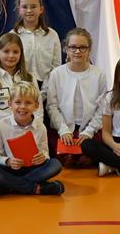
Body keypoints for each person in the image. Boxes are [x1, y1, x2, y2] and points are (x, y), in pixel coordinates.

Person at [0, 82, 64, 196]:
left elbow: (45, 153)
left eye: (28, 103)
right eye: (18, 102)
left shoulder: (40, 127)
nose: (22, 107)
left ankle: (8, 187)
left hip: (33, 169)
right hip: (10, 169)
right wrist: (8, 161)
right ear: (10, 104)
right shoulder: (1, 125)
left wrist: (42, 157)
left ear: (36, 105)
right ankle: (36, 188)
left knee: (55, 164)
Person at [0, 32, 41, 163]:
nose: (11, 56)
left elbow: (38, 110)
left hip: (27, 136)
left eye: (15, 52)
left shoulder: (29, 77)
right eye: (6, 51)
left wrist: (32, 132)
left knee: (50, 164)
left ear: (21, 54)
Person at [45, 27, 107, 166]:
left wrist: (89, 131)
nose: (77, 51)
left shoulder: (99, 74)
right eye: (73, 47)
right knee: (63, 156)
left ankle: (85, 157)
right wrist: (63, 130)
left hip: (90, 128)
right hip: (64, 128)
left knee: (90, 151)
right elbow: (52, 106)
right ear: (66, 49)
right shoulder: (56, 74)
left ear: (89, 49)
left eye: (82, 47)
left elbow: (102, 108)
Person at [12, 0, 61, 82]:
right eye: (24, 7)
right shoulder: (13, 36)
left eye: (33, 6)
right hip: (21, 85)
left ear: (41, 9)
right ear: (19, 10)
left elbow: (56, 65)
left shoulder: (52, 35)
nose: (29, 10)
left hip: (47, 84)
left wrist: (47, 87)